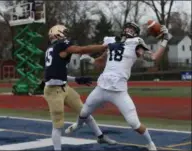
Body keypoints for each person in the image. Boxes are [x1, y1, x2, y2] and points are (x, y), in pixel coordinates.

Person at [65, 22, 170, 151]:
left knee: (133, 123)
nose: (129, 30)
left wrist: (164, 40)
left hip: (118, 91)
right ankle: (78, 125)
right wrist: (90, 60)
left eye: (132, 29)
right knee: (84, 112)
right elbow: (99, 63)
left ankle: (150, 143)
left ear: (136, 33)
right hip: (102, 87)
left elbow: (153, 58)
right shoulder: (111, 43)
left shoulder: (136, 44)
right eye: (128, 27)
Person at [44, 24, 116, 151]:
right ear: (58, 34)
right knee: (58, 125)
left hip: (63, 87)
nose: (66, 35)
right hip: (53, 91)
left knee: (84, 111)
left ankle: (100, 136)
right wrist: (103, 46)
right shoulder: (60, 45)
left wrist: (76, 79)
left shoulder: (53, 48)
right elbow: (81, 50)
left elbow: (57, 74)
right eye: (64, 33)